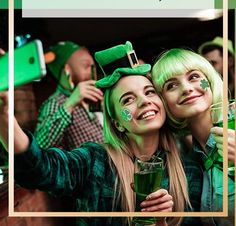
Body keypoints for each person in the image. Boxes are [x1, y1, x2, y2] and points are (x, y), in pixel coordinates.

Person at [0, 42, 203, 226]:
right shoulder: (95, 162)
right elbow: (41, 168)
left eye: (149, 92)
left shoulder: (189, 171)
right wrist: (5, 118)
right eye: (127, 100)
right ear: (117, 123)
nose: (144, 101)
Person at [152, 48, 235, 226]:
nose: (187, 89)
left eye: (194, 77)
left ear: (210, 80)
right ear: (163, 101)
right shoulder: (188, 163)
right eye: (171, 85)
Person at [34, 41, 103, 150]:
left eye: (93, 66)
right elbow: (39, 149)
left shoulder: (91, 98)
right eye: (86, 66)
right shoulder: (55, 103)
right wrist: (69, 105)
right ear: (67, 70)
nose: (92, 72)